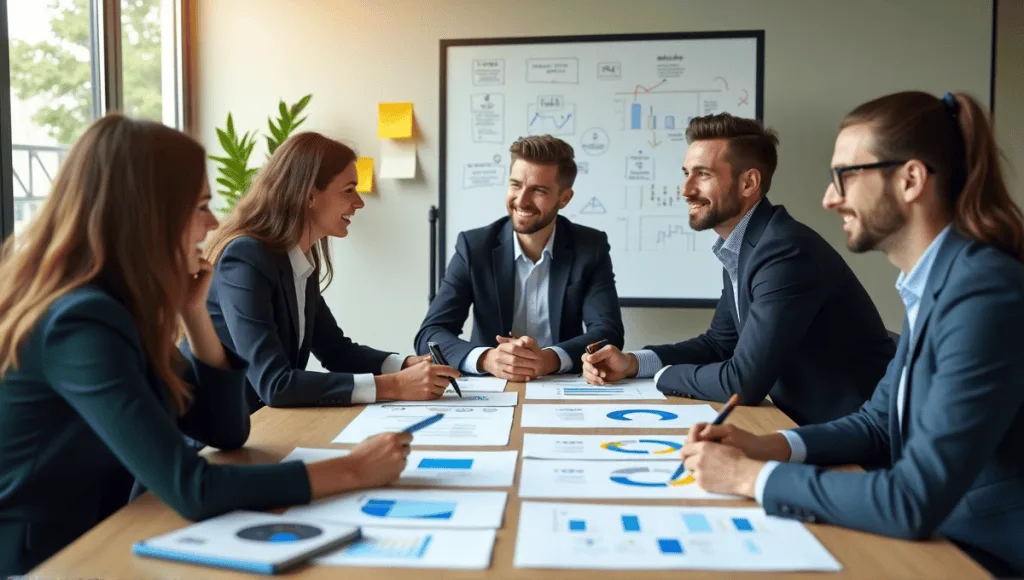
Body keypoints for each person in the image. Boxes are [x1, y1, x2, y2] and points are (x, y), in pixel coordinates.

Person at [0, 116, 410, 576]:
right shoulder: (80, 320)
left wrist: (193, 312)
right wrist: (352, 471)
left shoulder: (119, 307)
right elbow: (192, 488)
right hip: (47, 558)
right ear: (147, 213)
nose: (214, 223)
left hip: (110, 530)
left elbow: (225, 431)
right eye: (199, 206)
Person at [680, 91, 1024, 577]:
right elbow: (877, 423)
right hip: (939, 539)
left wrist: (751, 477)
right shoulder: (940, 282)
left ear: (910, 179)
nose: (829, 198)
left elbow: (912, 499)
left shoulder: (983, 293)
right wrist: (768, 445)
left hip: (981, 554)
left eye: (845, 176)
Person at [582, 113, 895, 426]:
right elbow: (719, 344)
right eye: (686, 173)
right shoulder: (747, 246)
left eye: (702, 175)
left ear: (749, 182)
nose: (685, 189)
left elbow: (742, 383)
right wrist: (633, 363)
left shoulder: (784, 252)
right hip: (808, 426)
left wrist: (663, 375)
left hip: (859, 441)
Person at [203, 132, 458, 410]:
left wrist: (407, 364)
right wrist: (396, 385)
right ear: (310, 195)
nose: (359, 202)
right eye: (349, 190)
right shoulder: (245, 258)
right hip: (219, 437)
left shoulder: (299, 261)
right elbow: (274, 384)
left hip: (263, 426)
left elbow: (336, 352)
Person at [415, 135, 624, 382]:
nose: (521, 200)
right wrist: (487, 358)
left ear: (564, 198)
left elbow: (608, 333)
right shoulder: (474, 247)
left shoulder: (590, 247)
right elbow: (430, 334)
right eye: (516, 185)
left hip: (561, 383)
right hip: (490, 386)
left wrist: (548, 359)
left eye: (538, 190)